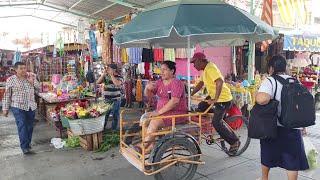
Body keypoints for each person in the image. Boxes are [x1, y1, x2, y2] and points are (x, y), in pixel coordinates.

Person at [256, 55, 309, 180]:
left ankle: (264, 178)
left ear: (271, 68)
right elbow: (302, 105)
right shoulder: (295, 81)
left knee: (267, 153)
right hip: (293, 126)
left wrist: (260, 96)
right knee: (292, 159)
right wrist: (304, 126)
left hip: (273, 127)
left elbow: (261, 99)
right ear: (285, 67)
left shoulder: (270, 81)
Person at [190, 52, 240, 154]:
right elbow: (200, 83)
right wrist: (191, 94)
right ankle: (219, 116)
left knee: (216, 122)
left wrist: (215, 99)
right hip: (215, 97)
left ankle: (234, 141)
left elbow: (219, 81)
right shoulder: (205, 70)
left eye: (194, 62)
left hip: (223, 99)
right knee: (201, 106)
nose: (193, 65)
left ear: (200, 60)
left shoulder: (210, 68)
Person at [140, 61, 188, 153]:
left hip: (178, 113)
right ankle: (151, 146)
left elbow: (174, 102)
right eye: (161, 70)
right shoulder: (160, 82)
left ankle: (142, 146)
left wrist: (157, 113)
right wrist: (147, 88)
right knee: (145, 119)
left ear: (172, 71)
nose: (161, 72)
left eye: (164, 70)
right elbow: (148, 96)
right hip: (163, 112)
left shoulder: (176, 83)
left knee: (154, 121)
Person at [2, 62, 40, 155]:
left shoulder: (31, 76)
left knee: (30, 126)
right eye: (21, 68)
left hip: (31, 106)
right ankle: (25, 147)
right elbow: (7, 95)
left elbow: (38, 87)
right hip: (18, 106)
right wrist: (5, 108)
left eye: (24, 68)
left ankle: (27, 143)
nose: (24, 70)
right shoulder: (11, 80)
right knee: (22, 125)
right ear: (16, 70)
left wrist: (33, 81)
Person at [97, 63, 123, 131]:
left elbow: (117, 84)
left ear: (114, 70)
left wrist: (111, 75)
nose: (108, 70)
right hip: (107, 99)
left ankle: (113, 129)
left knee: (115, 115)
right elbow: (98, 82)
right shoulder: (106, 76)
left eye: (109, 69)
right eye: (107, 69)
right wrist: (103, 74)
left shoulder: (119, 76)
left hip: (116, 99)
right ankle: (102, 128)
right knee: (105, 115)